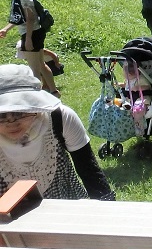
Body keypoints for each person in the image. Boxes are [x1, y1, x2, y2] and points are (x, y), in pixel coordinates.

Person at [0, 64, 114, 200]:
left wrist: (108, 212)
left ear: (35, 106)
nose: (12, 123)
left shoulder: (61, 118)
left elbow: (90, 172)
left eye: (21, 112)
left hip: (65, 206)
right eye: (1, 115)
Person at [0, 0, 58, 95]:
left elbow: (30, 17)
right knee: (41, 65)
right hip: (35, 32)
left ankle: (37, 98)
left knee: (34, 71)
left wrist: (28, 39)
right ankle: (54, 92)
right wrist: (6, 29)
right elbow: (21, 17)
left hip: (31, 33)